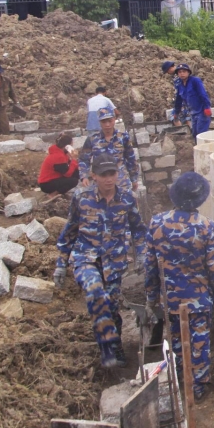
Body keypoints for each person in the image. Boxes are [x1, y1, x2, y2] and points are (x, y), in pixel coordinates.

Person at [54, 155, 148, 368]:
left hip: (114, 263)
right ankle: (107, 348)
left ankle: (116, 348)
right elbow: (70, 230)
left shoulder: (126, 199)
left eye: (112, 173)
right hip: (85, 258)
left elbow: (138, 230)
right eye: (103, 175)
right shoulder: (82, 198)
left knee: (111, 307)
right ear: (94, 175)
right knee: (95, 292)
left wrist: (142, 254)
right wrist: (61, 263)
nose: (108, 179)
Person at [145, 171, 214, 400]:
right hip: (199, 300)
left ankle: (180, 381)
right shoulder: (207, 227)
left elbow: (150, 265)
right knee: (199, 343)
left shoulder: (157, 223)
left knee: (177, 341)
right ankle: (198, 387)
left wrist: (151, 298)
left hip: (170, 300)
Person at [79, 108, 141, 194]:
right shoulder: (92, 139)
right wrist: (84, 176)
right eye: (104, 121)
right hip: (101, 180)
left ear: (114, 119)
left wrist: (134, 178)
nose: (107, 124)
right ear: (99, 122)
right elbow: (84, 159)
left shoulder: (123, 137)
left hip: (121, 180)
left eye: (110, 121)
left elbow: (130, 158)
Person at [172, 64, 212, 140]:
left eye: (184, 71)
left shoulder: (195, 81)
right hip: (193, 113)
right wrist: (176, 112)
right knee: (195, 134)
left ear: (188, 72)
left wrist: (207, 107)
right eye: (180, 72)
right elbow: (178, 100)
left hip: (202, 111)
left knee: (201, 134)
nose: (182, 74)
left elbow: (203, 94)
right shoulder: (180, 85)